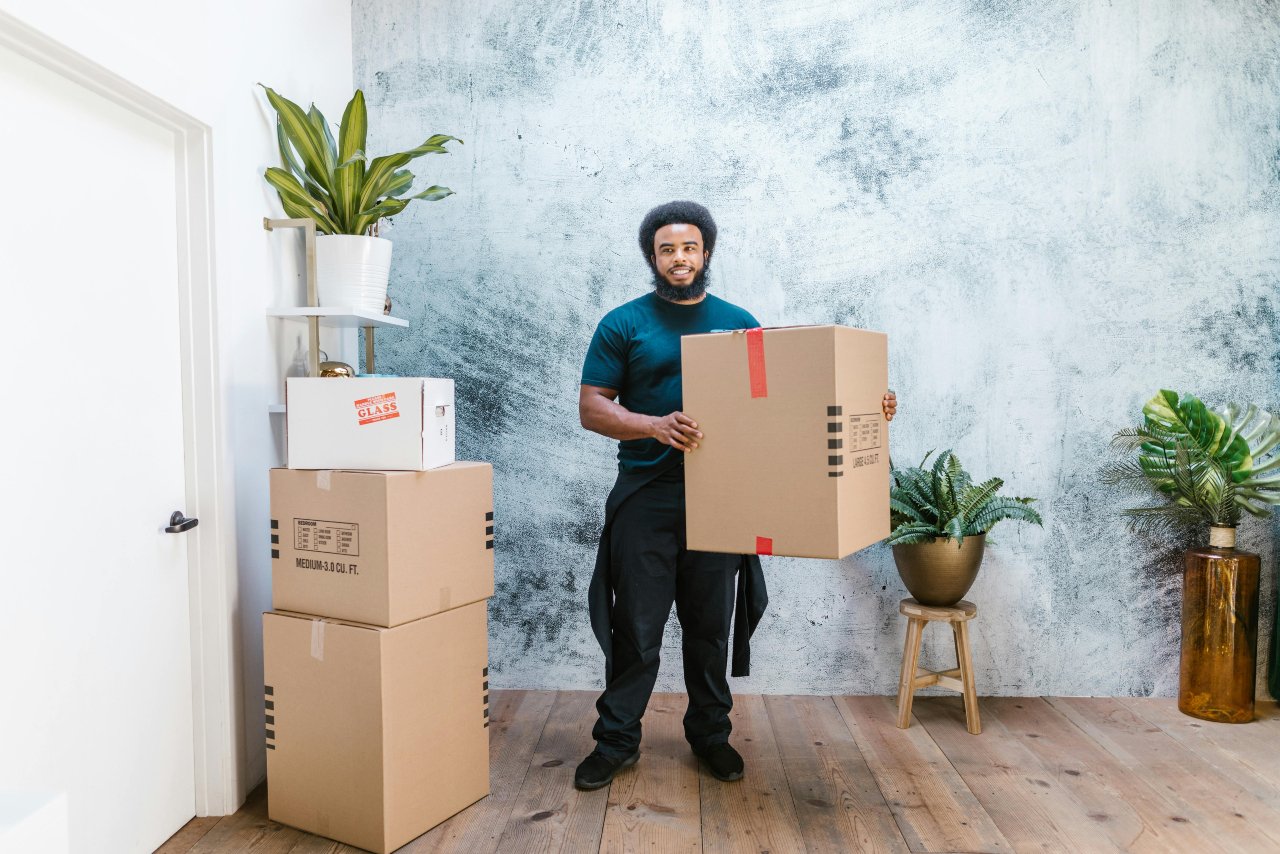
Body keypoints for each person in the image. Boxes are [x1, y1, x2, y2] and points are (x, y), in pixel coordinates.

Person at [575, 200, 898, 791]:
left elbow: (791, 403)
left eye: (690, 247)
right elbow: (591, 406)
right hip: (647, 496)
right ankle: (616, 740)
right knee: (637, 630)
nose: (680, 258)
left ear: (706, 253)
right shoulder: (623, 323)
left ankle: (710, 737)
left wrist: (868, 406)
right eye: (668, 248)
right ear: (653, 256)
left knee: (708, 627)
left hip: (721, 497)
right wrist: (652, 425)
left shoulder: (739, 326)